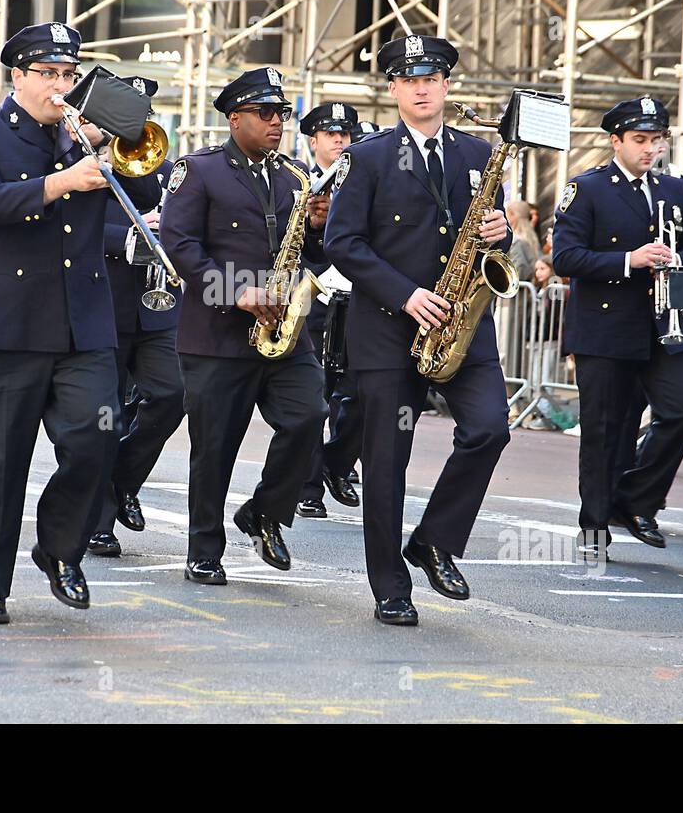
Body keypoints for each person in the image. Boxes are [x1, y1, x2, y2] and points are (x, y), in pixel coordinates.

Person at [0, 22, 159, 624]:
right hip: (1, 326)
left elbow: (146, 194)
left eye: (68, 75)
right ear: (17, 76)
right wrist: (62, 180)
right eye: (49, 75)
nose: (60, 87)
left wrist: (115, 136)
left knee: (95, 438)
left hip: (79, 323)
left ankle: (60, 548)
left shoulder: (79, 135)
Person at [324, 34, 511, 626]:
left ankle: (434, 540)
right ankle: (390, 586)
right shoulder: (369, 157)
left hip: (462, 321)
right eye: (409, 79)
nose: (422, 86)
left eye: (432, 77)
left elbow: (492, 233)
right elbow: (342, 243)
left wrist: (500, 233)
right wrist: (406, 296)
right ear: (394, 89)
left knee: (489, 430)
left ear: (448, 84)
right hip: (386, 328)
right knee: (386, 461)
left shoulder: (480, 154)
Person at [159, 67, 330, 587]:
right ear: (236, 119)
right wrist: (236, 293)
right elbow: (180, 245)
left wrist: (321, 229)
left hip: (284, 328)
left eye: (282, 114)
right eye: (266, 114)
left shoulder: (294, 176)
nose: (278, 122)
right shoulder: (199, 169)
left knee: (309, 416)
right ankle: (204, 550)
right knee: (215, 447)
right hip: (216, 335)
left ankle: (265, 513)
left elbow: (310, 251)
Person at [550, 96, 683, 560]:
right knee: (605, 430)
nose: (650, 149)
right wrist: (629, 260)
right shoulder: (588, 189)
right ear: (615, 141)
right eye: (640, 140)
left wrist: (677, 259)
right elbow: (566, 257)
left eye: (657, 140)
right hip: (605, 327)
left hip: (663, 324)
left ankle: (636, 500)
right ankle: (595, 525)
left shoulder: (676, 190)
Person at [87, 74, 185, 558]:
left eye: (144, 109)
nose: (138, 119)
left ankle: (123, 481)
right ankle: (98, 521)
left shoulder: (158, 164)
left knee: (171, 396)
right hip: (101, 304)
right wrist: (129, 230)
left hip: (155, 307)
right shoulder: (81, 162)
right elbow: (73, 225)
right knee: (107, 415)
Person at [295, 100, 362, 519]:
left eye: (344, 134)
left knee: (359, 395)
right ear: (314, 139)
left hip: (355, 297)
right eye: (329, 134)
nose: (338, 141)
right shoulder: (296, 179)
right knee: (312, 397)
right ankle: (308, 488)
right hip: (312, 296)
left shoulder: (363, 177)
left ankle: (336, 464)